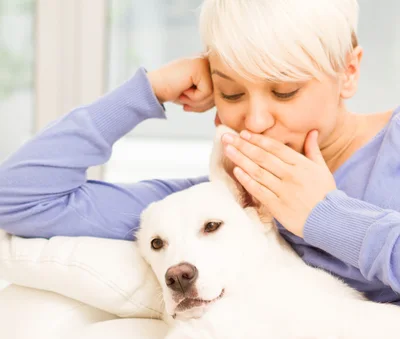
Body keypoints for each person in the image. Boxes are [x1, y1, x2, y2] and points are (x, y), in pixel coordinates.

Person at [0, 0, 399, 304]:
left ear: (348, 72)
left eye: (284, 91)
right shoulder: (217, 205)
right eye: (232, 92)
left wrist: (325, 217)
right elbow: (20, 199)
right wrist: (149, 91)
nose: (255, 120)